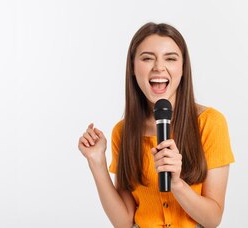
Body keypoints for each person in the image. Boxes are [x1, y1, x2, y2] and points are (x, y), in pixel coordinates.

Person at [77, 22, 235, 228]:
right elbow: (123, 222)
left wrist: (177, 183)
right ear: (133, 67)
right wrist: (96, 162)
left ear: (183, 68)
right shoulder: (123, 132)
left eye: (170, 58)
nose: (159, 67)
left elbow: (213, 219)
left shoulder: (210, 123)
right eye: (147, 58)